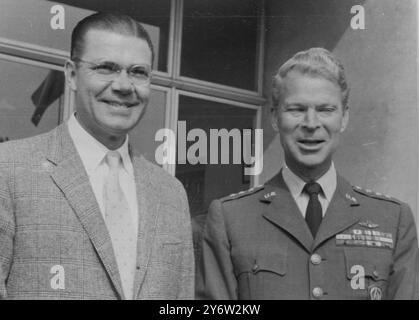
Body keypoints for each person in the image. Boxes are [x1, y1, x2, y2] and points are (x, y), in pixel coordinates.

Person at [196, 48, 419, 300]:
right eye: (296, 109)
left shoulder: (393, 219)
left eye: (325, 109)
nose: (311, 123)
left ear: (343, 118)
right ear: (274, 118)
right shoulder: (230, 219)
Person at [0, 12, 194, 300]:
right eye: (106, 67)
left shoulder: (171, 193)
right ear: (72, 74)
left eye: (138, 72)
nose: (124, 86)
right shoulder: (9, 169)